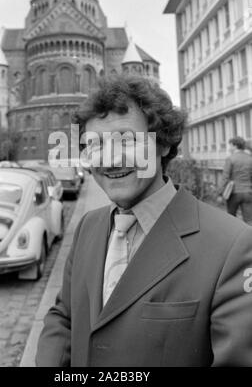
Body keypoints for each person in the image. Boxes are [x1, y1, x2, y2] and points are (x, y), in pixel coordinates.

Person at [36, 76, 252, 367]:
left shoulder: (233, 246)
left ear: (163, 144)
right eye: (94, 145)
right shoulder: (89, 225)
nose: (109, 160)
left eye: (126, 140)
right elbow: (64, 316)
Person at [217, 136, 252, 225]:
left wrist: (220, 193)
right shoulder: (250, 158)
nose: (230, 148)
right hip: (248, 192)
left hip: (234, 193)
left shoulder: (230, 159)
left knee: (232, 219)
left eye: (231, 145)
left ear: (235, 145)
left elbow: (225, 177)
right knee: (249, 220)